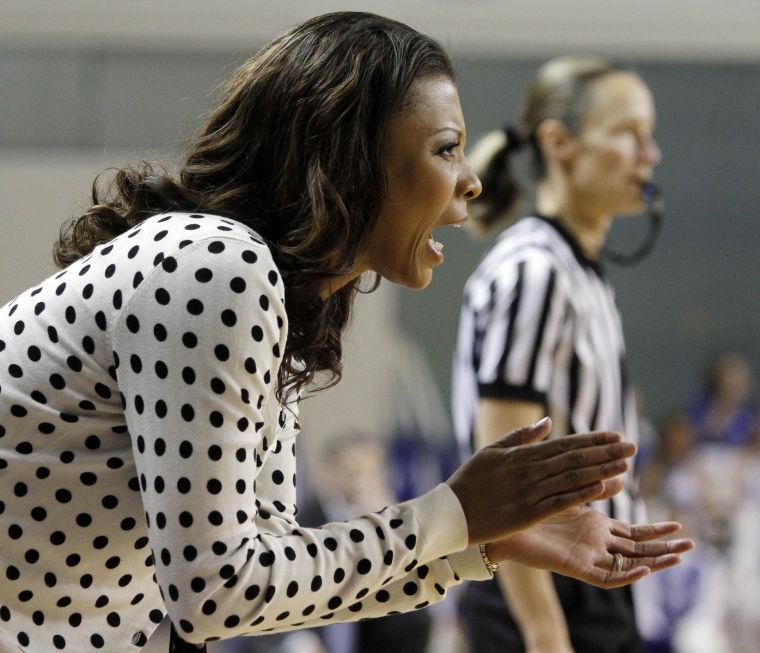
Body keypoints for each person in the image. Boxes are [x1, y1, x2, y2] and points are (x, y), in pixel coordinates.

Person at [0, 15, 691, 653]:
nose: (473, 182)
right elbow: (214, 591)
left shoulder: (259, 290)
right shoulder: (216, 264)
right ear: (352, 161)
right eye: (446, 149)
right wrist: (454, 509)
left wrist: (478, 540)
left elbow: (267, 579)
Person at [452, 55, 666, 652]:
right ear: (559, 143)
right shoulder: (537, 271)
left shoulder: (580, 273)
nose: (650, 154)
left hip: (585, 576)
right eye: (628, 133)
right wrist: (545, 631)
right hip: (543, 584)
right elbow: (505, 466)